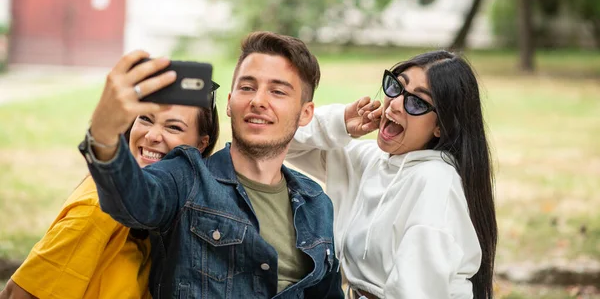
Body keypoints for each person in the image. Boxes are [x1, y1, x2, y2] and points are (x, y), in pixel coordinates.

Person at [79, 32, 343, 298]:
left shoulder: (316, 203)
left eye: (277, 91)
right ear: (229, 103)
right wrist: (103, 135)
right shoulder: (186, 177)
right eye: (247, 87)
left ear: (305, 113)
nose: (258, 101)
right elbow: (133, 200)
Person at [0, 55, 220, 299]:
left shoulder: (180, 212)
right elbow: (16, 295)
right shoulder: (99, 207)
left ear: (201, 145)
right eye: (145, 119)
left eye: (173, 127)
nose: (152, 136)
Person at [287, 50, 498, 299]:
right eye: (396, 86)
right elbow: (280, 139)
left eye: (417, 102)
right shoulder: (370, 161)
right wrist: (341, 122)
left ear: (442, 125)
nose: (395, 104)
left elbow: (416, 293)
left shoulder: (435, 183)